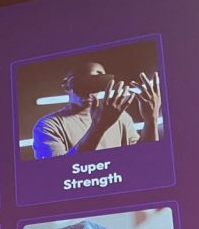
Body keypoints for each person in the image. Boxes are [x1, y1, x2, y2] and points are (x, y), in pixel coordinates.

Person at [32, 61, 161, 159]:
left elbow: (145, 157)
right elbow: (57, 172)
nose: (89, 92)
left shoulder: (120, 117)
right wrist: (98, 127)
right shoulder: (48, 125)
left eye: (96, 84)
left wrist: (151, 119)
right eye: (82, 84)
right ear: (67, 86)